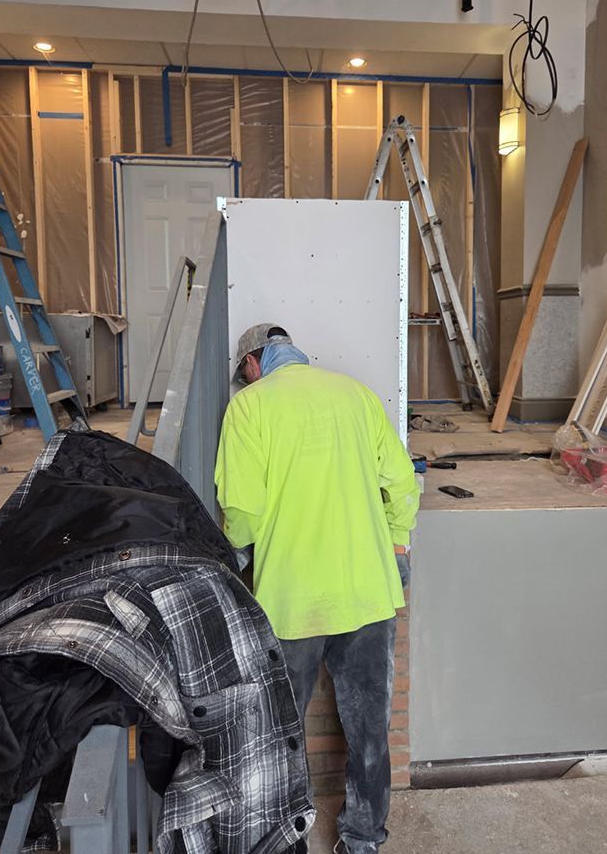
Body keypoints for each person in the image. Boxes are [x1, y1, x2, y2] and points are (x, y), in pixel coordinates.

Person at [215, 323, 420, 854]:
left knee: (282, 734)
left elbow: (241, 515)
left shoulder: (250, 409)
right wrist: (397, 547)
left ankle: (289, 839)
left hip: (291, 601)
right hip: (369, 594)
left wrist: (242, 557)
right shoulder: (357, 394)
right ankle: (363, 840)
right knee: (370, 732)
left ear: (254, 363)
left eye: (244, 374)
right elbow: (400, 483)